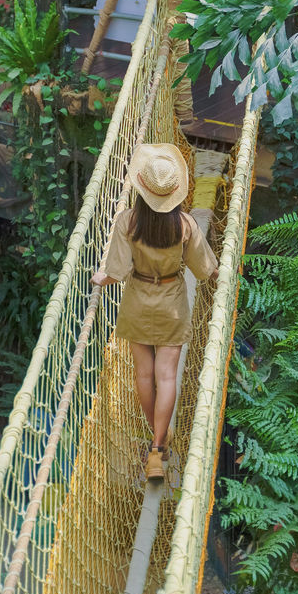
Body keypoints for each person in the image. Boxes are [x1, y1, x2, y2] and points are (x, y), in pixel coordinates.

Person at [91, 143, 219, 479]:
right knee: (167, 377)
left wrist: (98, 279)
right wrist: (222, 272)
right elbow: (205, 269)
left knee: (144, 378)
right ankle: (157, 450)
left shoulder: (128, 222)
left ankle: (157, 440)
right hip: (171, 303)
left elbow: (115, 272)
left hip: (136, 302)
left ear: (141, 189)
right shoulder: (185, 225)